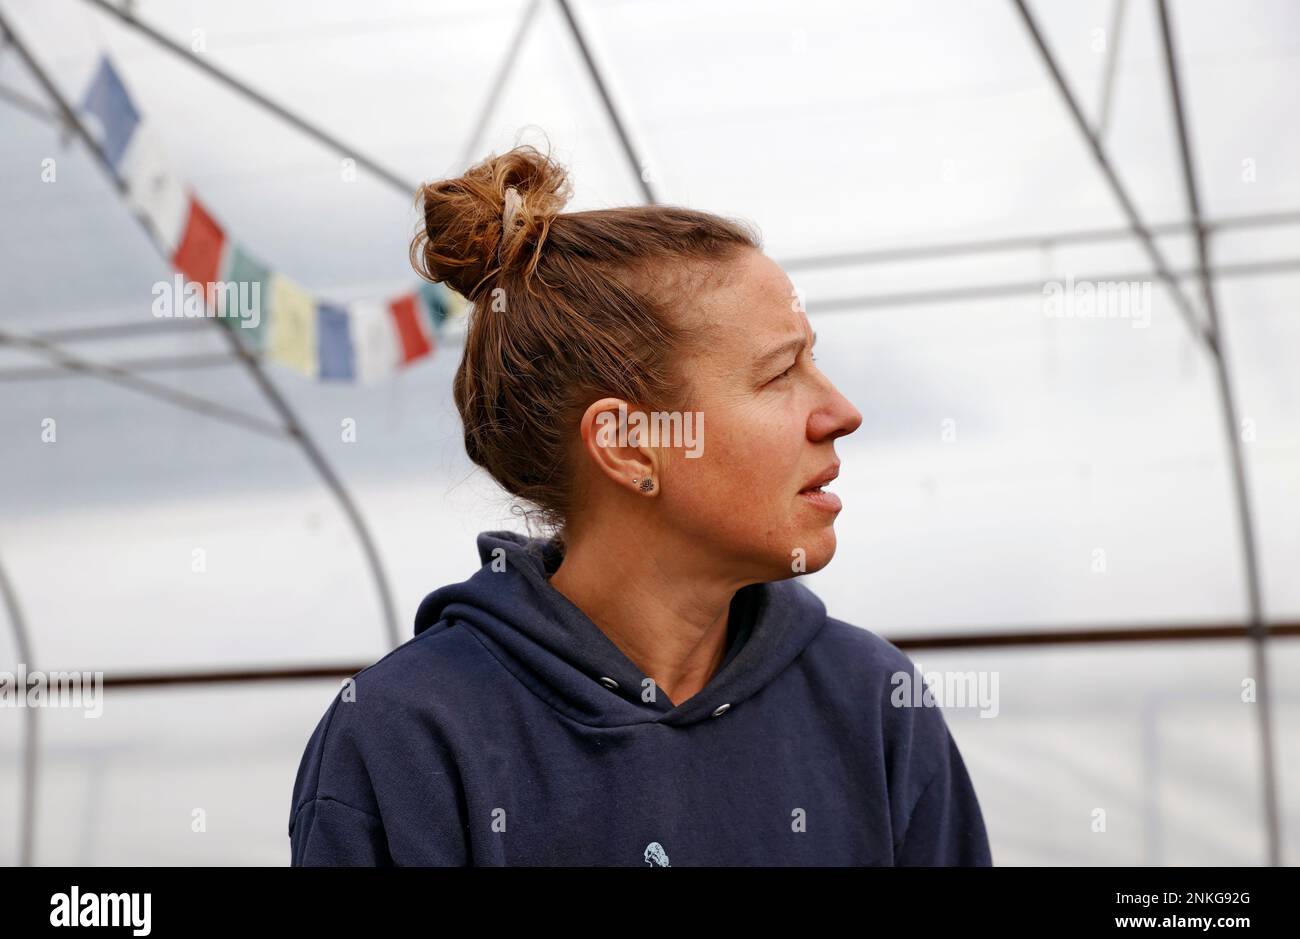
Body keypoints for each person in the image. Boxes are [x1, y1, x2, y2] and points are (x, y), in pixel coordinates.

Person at [288, 142, 992, 866]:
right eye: (781, 373)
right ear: (627, 444)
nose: (841, 412)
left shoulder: (874, 705)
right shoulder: (403, 740)